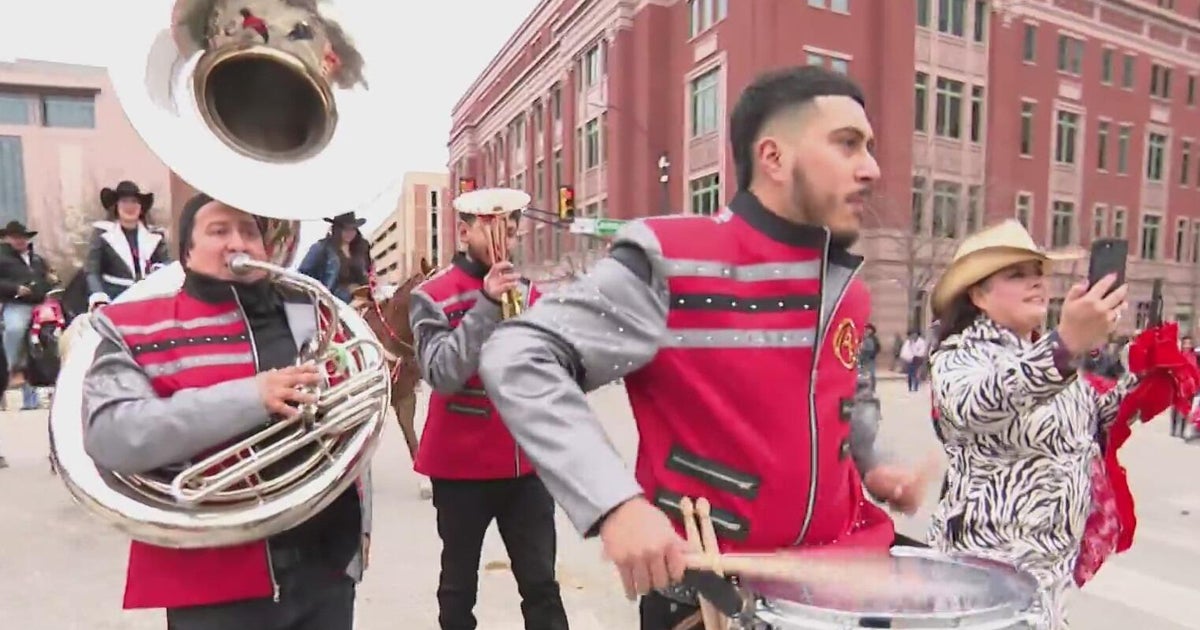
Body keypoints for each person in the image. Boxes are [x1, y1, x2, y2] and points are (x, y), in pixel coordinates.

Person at [476, 66, 929, 629]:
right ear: (774, 157)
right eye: (847, 144)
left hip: (843, 587)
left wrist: (877, 464)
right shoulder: (676, 260)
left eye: (870, 147)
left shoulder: (848, 288)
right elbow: (519, 354)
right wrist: (617, 505)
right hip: (715, 603)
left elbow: (848, 396)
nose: (872, 168)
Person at [79, 193, 371, 630]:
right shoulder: (137, 325)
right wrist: (250, 397)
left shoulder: (314, 313)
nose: (238, 242)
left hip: (325, 572)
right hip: (211, 588)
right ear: (187, 253)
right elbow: (112, 434)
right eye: (219, 231)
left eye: (250, 231)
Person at [925, 219, 1129, 629]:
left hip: (1048, 581)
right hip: (985, 581)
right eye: (1017, 275)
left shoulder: (1048, 355)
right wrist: (1065, 344)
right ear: (978, 294)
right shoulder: (959, 355)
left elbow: (1095, 418)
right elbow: (979, 402)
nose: (1036, 283)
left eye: (1038, 273)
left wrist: (1151, 374)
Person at [409, 188, 569, 630]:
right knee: (458, 588)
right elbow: (442, 373)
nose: (506, 236)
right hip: (461, 469)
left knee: (541, 585)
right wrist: (487, 304)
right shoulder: (432, 296)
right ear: (464, 231)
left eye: (512, 228)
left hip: (526, 466)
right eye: (493, 227)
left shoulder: (533, 292)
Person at [84, 180, 172, 305]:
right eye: (124, 202)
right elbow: (92, 271)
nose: (130, 207)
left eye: (134, 202)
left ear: (141, 208)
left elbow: (166, 263)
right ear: (116, 206)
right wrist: (99, 297)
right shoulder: (102, 233)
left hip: (148, 298)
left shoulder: (155, 235)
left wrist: (160, 270)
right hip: (114, 299)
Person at [0, 220, 54, 411]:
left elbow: (48, 278)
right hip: (17, 304)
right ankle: (11, 366)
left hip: (41, 304)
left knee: (52, 335)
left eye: (22, 237)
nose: (20, 240)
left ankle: (46, 379)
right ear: (7, 239)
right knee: (15, 329)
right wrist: (15, 288)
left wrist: (51, 283)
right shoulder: (2, 258)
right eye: (16, 237)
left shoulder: (37, 260)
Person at [298, 212, 374, 304]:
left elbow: (369, 272)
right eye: (346, 229)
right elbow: (303, 275)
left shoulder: (361, 249)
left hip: (361, 298)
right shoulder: (321, 248)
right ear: (337, 229)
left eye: (353, 229)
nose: (350, 233)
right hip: (333, 301)